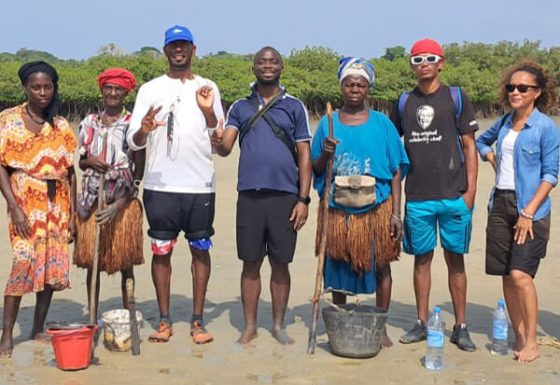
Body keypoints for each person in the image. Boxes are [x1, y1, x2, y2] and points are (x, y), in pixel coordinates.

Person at [127, 25, 223, 344]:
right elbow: (134, 141)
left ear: (194, 49)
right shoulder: (150, 89)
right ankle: (165, 320)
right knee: (161, 252)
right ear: (165, 50)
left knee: (200, 250)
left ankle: (197, 320)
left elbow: (218, 137)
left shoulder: (208, 86)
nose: (178, 50)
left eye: (184, 45)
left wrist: (208, 111)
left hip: (200, 185)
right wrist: (142, 130)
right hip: (160, 187)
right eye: (173, 45)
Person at [211, 46, 312, 345]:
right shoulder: (240, 107)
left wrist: (303, 200)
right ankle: (250, 326)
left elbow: (304, 155)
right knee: (250, 262)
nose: (267, 65)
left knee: (281, 263)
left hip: (285, 195)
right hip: (250, 196)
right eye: (261, 62)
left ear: (281, 67)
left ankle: (279, 325)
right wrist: (216, 139)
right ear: (253, 68)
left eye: (273, 61)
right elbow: (226, 148)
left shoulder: (294, 106)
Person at [311, 57, 409, 347]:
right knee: (337, 261)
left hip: (377, 207)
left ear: (368, 89)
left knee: (381, 265)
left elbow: (395, 170)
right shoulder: (327, 124)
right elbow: (315, 169)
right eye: (349, 83)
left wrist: (396, 214)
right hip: (338, 208)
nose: (355, 88)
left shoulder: (383, 124)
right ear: (342, 87)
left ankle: (381, 325)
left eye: (360, 84)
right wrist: (326, 153)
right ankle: (339, 318)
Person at [394, 39, 479, 352]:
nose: (424, 63)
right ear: (412, 65)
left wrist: (470, 192)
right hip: (417, 196)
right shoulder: (404, 102)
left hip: (454, 194)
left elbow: (470, 146)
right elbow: (390, 144)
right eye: (417, 58)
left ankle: (461, 326)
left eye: (430, 58)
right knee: (422, 260)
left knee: (456, 261)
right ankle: (421, 323)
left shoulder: (455, 97)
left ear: (441, 63)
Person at [476, 60, 559, 363]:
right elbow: (481, 141)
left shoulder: (546, 128)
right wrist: (491, 158)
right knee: (505, 275)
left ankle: (533, 340)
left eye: (522, 88)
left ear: (537, 92)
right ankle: (520, 335)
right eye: (511, 87)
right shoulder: (505, 122)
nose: (515, 91)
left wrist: (528, 212)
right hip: (500, 203)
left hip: (530, 209)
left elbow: (550, 175)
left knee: (520, 274)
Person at [0, 61, 77, 358]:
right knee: (23, 262)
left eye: (47, 87)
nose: (42, 92)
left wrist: (72, 215)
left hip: (57, 204)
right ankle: (7, 335)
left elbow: (70, 171)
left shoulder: (60, 124)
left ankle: (37, 328)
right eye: (36, 87)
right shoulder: (8, 120)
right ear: (25, 88)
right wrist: (14, 207)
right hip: (24, 202)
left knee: (51, 268)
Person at [73, 68, 145, 319]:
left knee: (125, 263)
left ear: (126, 93)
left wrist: (121, 204)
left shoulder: (133, 124)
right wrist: (90, 161)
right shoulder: (89, 122)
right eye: (109, 88)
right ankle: (92, 316)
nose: (113, 93)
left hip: (122, 199)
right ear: (102, 90)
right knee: (92, 265)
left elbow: (138, 170)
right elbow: (80, 164)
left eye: (119, 89)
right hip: (92, 198)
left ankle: (128, 315)